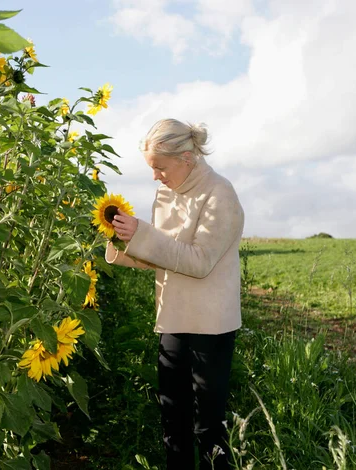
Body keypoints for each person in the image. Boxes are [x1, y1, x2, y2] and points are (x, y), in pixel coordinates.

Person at [105, 118, 245, 469]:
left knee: (208, 427)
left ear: (186, 157)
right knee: (172, 422)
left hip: (211, 326)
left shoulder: (220, 193)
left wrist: (144, 234)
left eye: (159, 167)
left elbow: (198, 262)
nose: (155, 176)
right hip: (173, 319)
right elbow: (161, 259)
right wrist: (121, 239)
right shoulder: (166, 193)